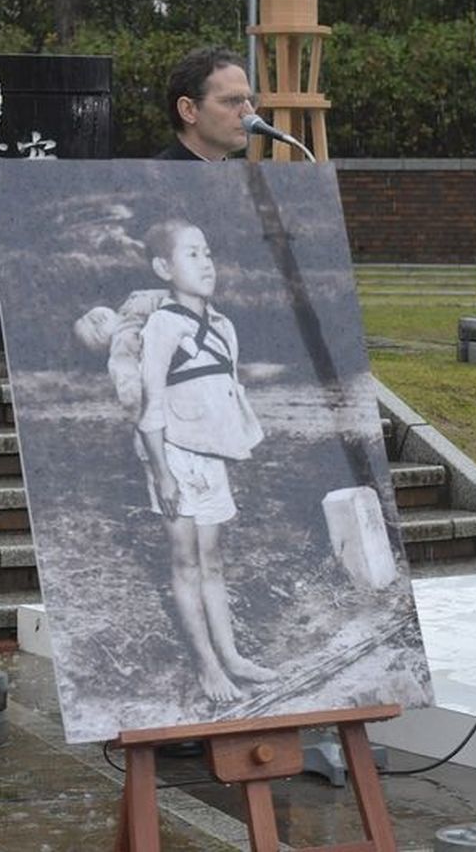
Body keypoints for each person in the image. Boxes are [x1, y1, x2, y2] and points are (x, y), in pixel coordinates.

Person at [136, 216, 275, 702]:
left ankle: (232, 656)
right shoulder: (162, 325)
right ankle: (207, 666)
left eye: (208, 252)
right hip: (174, 460)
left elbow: (228, 394)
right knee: (185, 564)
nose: (206, 262)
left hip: (211, 463)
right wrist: (162, 474)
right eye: (191, 254)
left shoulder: (224, 326)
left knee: (212, 561)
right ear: (162, 267)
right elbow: (150, 403)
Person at [156, 47, 257, 161]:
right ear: (188, 110)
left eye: (251, 101)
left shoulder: (241, 176)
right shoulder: (154, 177)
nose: (249, 113)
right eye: (232, 101)